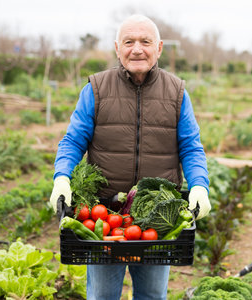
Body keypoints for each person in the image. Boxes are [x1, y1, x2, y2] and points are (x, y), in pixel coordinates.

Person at [49, 14, 210, 300]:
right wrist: (62, 177)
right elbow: (73, 141)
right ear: (117, 48)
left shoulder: (177, 93)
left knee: (151, 295)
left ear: (159, 48)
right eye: (129, 42)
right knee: (102, 296)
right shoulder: (96, 89)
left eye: (145, 41)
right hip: (104, 220)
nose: (137, 49)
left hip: (156, 220)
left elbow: (191, 146)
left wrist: (199, 184)